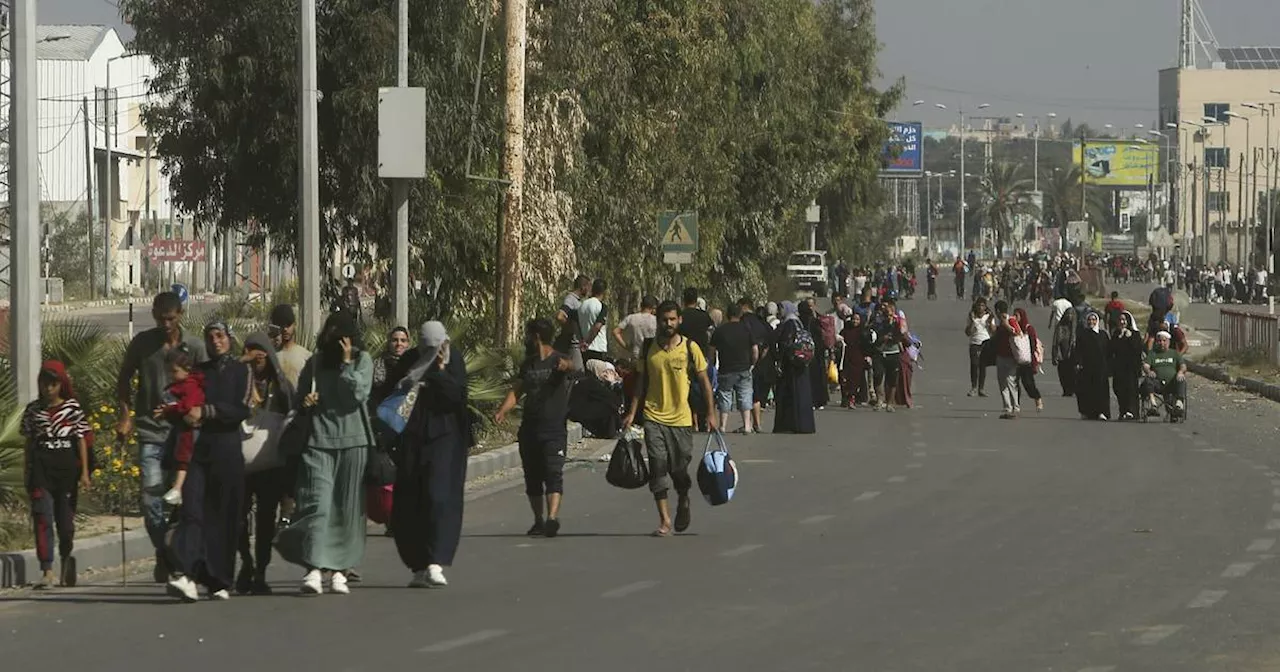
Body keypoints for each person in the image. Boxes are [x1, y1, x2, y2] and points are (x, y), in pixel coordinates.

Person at [275, 312, 374, 595]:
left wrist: (345, 366)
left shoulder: (362, 361)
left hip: (354, 444)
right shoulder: (315, 363)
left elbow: (356, 395)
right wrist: (305, 401)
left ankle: (341, 570)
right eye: (331, 335)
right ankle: (314, 569)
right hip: (318, 443)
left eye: (342, 336)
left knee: (346, 511)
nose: (336, 341)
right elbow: (299, 399)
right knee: (315, 507)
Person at [115, 291, 208, 583]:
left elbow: (209, 381)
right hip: (150, 432)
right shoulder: (143, 344)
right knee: (150, 499)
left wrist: (202, 413)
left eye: (170, 318)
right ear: (154, 315)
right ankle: (165, 552)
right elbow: (124, 379)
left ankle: (174, 552)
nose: (165, 324)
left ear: (180, 314)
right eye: (160, 318)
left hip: (184, 433)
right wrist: (125, 416)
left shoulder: (194, 346)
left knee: (180, 500)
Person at [167, 321, 251, 602]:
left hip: (228, 449)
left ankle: (219, 579)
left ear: (229, 339)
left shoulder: (241, 371)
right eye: (210, 337)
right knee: (192, 510)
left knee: (225, 516)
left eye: (220, 336)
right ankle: (186, 573)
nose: (215, 341)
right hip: (199, 451)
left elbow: (240, 408)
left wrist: (207, 411)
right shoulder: (199, 373)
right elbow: (184, 401)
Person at [623, 301, 716, 537]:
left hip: (682, 420)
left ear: (679, 321)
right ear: (657, 321)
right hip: (653, 417)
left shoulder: (690, 348)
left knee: (679, 469)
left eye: (672, 319)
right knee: (657, 465)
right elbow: (640, 383)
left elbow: (705, 382)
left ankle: (683, 497)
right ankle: (664, 520)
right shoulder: (648, 348)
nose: (668, 324)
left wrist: (711, 414)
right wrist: (633, 412)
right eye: (664, 320)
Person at [394, 321, 474, 587]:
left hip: (445, 438)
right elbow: (391, 392)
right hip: (413, 437)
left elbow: (457, 397)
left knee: (439, 496)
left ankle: (436, 561)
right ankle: (417, 564)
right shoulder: (409, 360)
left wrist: (439, 372)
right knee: (411, 500)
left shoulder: (454, 360)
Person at [496, 318, 573, 538]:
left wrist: (565, 366)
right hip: (530, 428)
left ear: (536, 336)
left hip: (554, 428)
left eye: (528, 335)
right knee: (532, 476)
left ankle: (552, 518)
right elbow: (517, 391)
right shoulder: (528, 364)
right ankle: (538, 520)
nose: (526, 339)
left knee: (553, 473)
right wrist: (503, 410)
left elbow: (571, 366)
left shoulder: (559, 359)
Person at [235, 333, 296, 595]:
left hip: (270, 466)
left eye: (260, 351)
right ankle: (245, 562)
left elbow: (293, 410)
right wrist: (241, 363)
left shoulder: (279, 384)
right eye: (250, 351)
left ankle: (260, 570)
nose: (255, 356)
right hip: (241, 465)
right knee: (238, 517)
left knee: (265, 521)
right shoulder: (237, 380)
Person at [22, 361, 92, 589]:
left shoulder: (72, 408)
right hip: (41, 470)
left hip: (67, 471)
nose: (48, 389)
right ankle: (47, 570)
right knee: (43, 518)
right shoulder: (33, 410)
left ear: (60, 385)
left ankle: (66, 558)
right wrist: (27, 471)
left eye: (52, 384)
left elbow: (81, 439)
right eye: (44, 384)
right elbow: (29, 442)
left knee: (65, 522)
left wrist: (84, 472)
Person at [268, 304, 310, 528]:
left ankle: (287, 513)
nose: (284, 330)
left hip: (295, 421)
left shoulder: (304, 356)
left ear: (294, 326)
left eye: (288, 325)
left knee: (291, 469)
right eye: (280, 325)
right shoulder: (268, 355)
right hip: (270, 421)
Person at [155, 350, 205, 506]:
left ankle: (178, 487)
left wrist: (169, 409)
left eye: (174, 371)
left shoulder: (190, 385)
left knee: (184, 456)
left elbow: (187, 406)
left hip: (190, 429)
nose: (171, 375)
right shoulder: (178, 386)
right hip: (180, 427)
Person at [709, 304, 758, 433]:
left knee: (724, 396)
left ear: (727, 314)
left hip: (726, 368)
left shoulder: (720, 331)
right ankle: (747, 425)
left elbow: (712, 351)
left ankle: (723, 426)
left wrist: (713, 364)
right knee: (745, 395)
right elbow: (755, 350)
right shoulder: (747, 329)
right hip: (744, 367)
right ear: (741, 315)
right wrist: (752, 363)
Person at [773, 302, 817, 433]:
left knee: (791, 395)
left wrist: (779, 358)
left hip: (791, 366)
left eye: (781, 309)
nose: (779, 311)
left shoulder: (789, 324)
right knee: (802, 394)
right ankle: (803, 424)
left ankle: (791, 425)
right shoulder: (799, 323)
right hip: (801, 364)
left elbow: (783, 343)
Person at [679, 288, 715, 430]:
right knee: (704, 387)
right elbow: (711, 331)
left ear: (684, 299)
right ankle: (705, 419)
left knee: (687, 388)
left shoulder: (680, 316)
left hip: (684, 355)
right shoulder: (704, 316)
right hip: (701, 355)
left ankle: (693, 421)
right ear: (696, 300)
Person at [739, 298, 774, 430]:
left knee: (746, 393)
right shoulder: (762, 323)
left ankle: (748, 424)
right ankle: (757, 423)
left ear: (743, 307)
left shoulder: (744, 322)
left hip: (746, 361)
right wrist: (760, 358)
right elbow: (768, 343)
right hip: (761, 363)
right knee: (756, 394)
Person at [1142, 330, 1188, 416]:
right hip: (1158, 383)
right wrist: (1149, 371)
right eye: (1159, 341)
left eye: (1164, 340)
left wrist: (1181, 372)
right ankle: (1153, 405)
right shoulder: (1153, 353)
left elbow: (1183, 366)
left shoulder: (1174, 353)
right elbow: (1146, 365)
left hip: (1172, 383)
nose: (1162, 343)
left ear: (1169, 342)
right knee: (1147, 380)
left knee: (1182, 380)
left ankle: (1179, 405)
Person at [1075, 311, 1111, 421]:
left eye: (1094, 320)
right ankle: (1086, 412)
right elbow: (1078, 350)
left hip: (1101, 367)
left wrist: (1109, 367)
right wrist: (1078, 363)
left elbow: (1108, 351)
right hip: (1086, 367)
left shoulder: (1103, 335)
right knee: (1086, 390)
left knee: (1101, 390)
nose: (1091, 322)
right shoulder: (1083, 334)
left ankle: (1102, 412)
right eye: (1089, 320)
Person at [1110, 311, 1145, 420]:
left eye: (1124, 320)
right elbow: (1112, 349)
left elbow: (1137, 349)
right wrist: (1120, 336)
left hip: (1131, 368)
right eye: (1120, 320)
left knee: (1131, 390)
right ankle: (1123, 410)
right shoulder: (1116, 333)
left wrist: (1129, 338)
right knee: (1118, 389)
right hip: (1118, 368)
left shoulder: (1135, 334)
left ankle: (1132, 411)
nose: (1122, 322)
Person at [991, 300, 1022, 419]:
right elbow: (994, 334)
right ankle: (1007, 408)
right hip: (1000, 356)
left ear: (998, 311)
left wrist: (1006, 324)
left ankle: (1015, 406)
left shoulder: (1011, 320)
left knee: (1010, 381)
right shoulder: (1000, 321)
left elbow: (1017, 333)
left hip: (1010, 356)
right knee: (1002, 383)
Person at [554, 275, 591, 371]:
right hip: (571, 343)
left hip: (576, 342)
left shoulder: (577, 301)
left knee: (570, 370)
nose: (588, 291)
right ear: (583, 287)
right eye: (588, 287)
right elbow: (560, 316)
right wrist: (570, 328)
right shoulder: (571, 299)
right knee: (579, 371)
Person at [839, 311, 876, 407]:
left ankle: (852, 399)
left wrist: (867, 356)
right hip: (846, 358)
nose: (855, 321)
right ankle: (845, 398)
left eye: (857, 319)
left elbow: (867, 345)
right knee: (844, 379)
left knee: (855, 380)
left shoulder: (863, 331)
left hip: (858, 359)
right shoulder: (846, 330)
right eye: (853, 319)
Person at [799, 302, 830, 411]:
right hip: (816, 354)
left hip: (805, 354)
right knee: (817, 378)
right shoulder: (815, 321)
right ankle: (819, 400)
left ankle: (811, 400)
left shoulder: (800, 322)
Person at [1012, 308, 1043, 412]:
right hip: (1015, 360)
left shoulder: (1028, 329)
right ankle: (1016, 405)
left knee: (1028, 384)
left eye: (1017, 316)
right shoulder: (1012, 328)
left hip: (1026, 361)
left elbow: (1033, 344)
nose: (1015, 318)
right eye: (1014, 315)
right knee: (1014, 384)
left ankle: (1037, 399)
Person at [613, 295, 658, 360]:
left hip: (635, 354)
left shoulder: (631, 318)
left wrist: (626, 346)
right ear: (654, 307)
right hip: (651, 355)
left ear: (641, 305)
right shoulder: (656, 320)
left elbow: (615, 332)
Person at [965, 298, 993, 397]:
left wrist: (990, 323)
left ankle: (981, 389)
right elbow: (968, 332)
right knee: (974, 364)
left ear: (985, 307)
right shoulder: (972, 316)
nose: (980, 308)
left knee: (982, 366)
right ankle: (973, 388)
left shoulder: (989, 316)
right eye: (979, 305)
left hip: (985, 342)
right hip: (974, 343)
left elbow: (993, 331)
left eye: (982, 306)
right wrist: (973, 321)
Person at [578, 278, 610, 364]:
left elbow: (576, 325)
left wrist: (582, 341)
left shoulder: (582, 305)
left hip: (585, 349)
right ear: (604, 292)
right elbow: (597, 326)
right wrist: (588, 342)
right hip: (598, 348)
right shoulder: (602, 307)